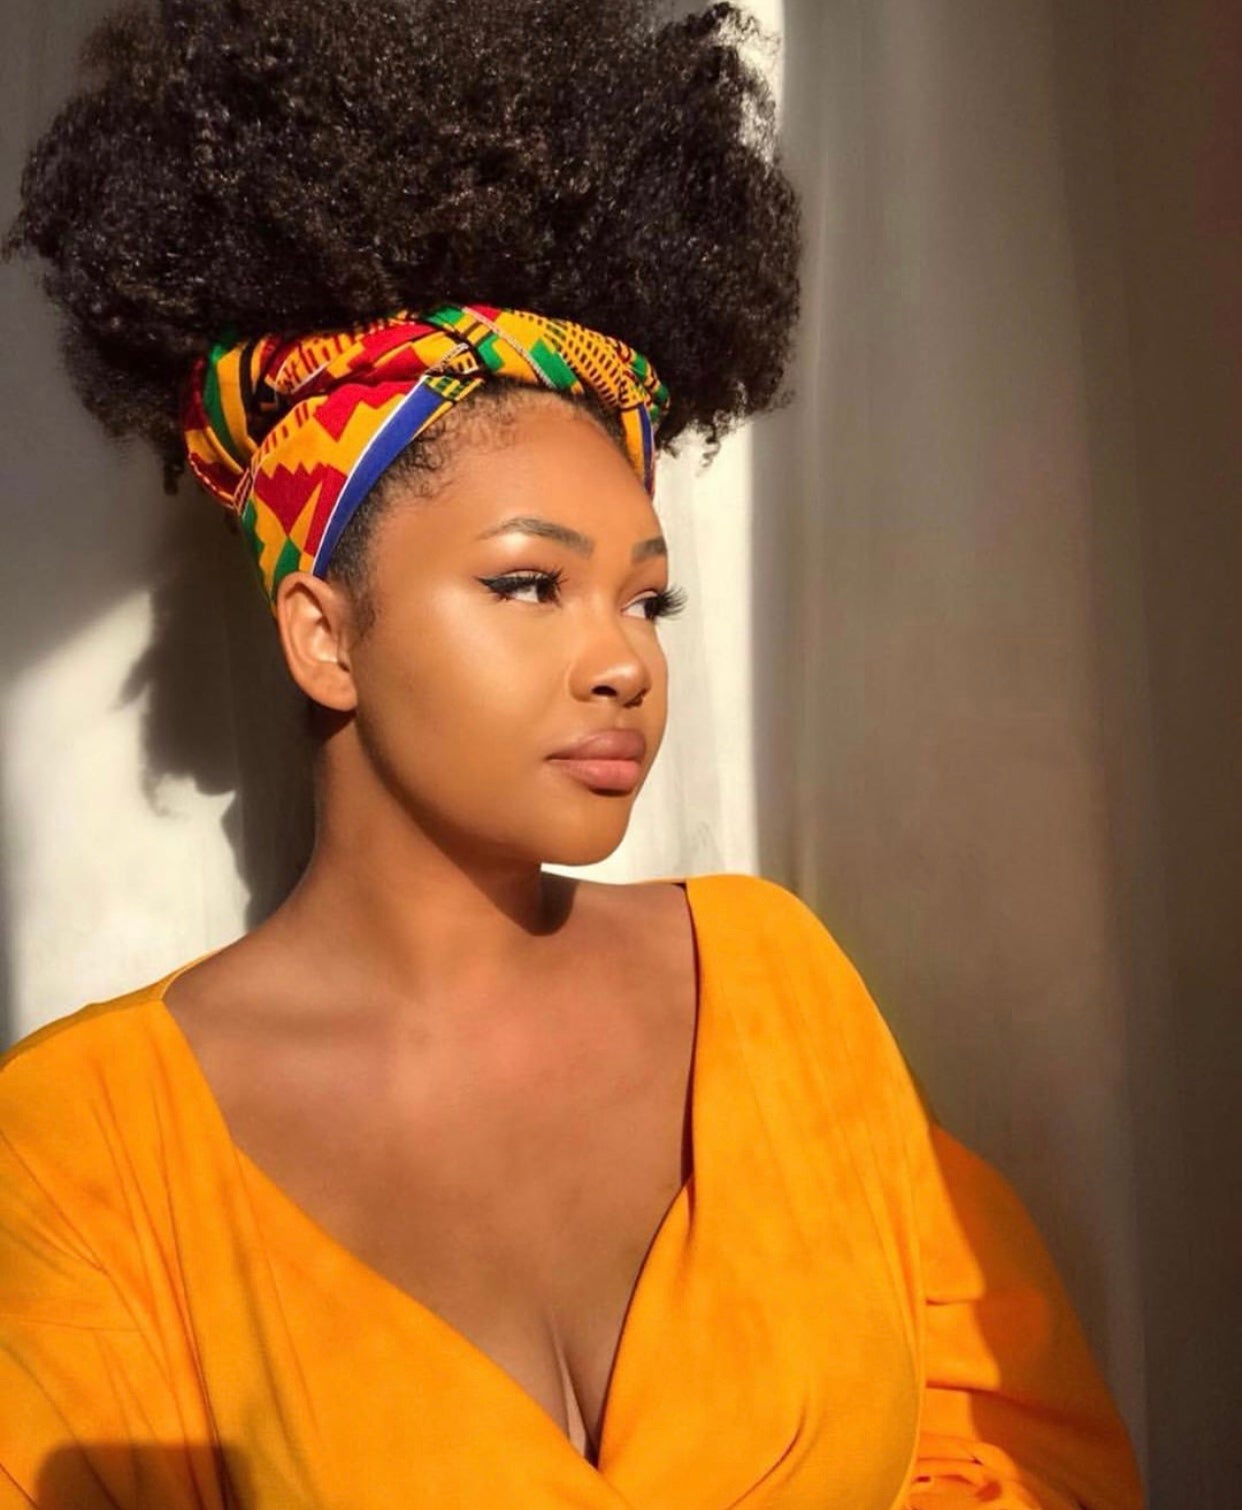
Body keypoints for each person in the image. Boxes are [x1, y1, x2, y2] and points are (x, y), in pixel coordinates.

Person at [0, 1, 1143, 1506]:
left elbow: (1012, 1447)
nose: (625, 661)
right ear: (322, 634)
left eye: (647, 598)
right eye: (529, 584)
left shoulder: (774, 987)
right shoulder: (83, 1146)